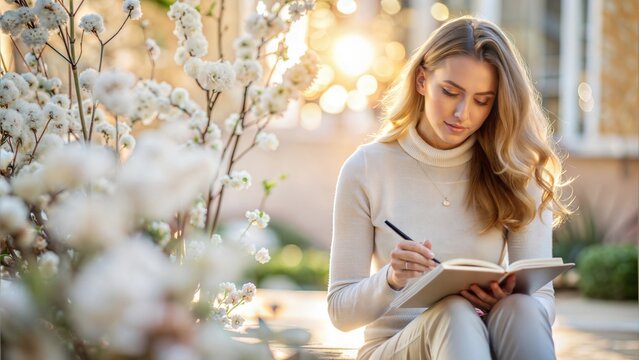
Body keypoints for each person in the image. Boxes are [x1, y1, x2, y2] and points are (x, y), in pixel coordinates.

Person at [327, 15, 571, 360]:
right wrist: (391, 279)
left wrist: (504, 299)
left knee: (523, 309)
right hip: (394, 346)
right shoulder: (366, 168)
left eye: (482, 100)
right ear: (422, 80)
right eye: (450, 92)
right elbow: (340, 312)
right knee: (454, 312)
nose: (462, 113)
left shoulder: (516, 169)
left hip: (481, 340)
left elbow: (543, 303)